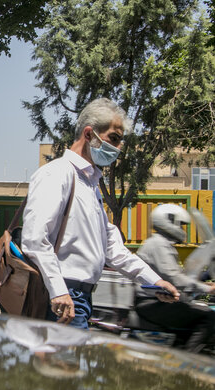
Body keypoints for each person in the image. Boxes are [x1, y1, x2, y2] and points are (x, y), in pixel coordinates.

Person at [21, 97, 179, 329]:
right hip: (61, 298)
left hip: (78, 298)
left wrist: (154, 281)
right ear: (88, 134)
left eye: (120, 141)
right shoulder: (57, 174)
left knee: (66, 364)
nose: (117, 148)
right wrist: (59, 292)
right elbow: (34, 239)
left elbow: (112, 249)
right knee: (64, 365)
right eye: (113, 139)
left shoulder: (88, 184)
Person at [135, 204, 215, 352]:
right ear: (169, 221)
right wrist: (208, 288)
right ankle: (189, 364)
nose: (182, 230)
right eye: (181, 225)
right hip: (152, 302)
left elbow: (178, 275)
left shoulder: (163, 244)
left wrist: (203, 280)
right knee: (209, 317)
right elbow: (174, 278)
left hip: (161, 300)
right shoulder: (158, 244)